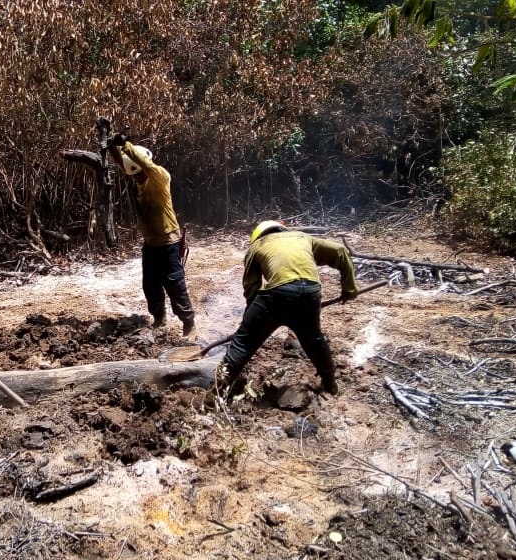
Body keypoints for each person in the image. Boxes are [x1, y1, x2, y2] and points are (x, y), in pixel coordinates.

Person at [217, 220, 358, 398]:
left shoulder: (256, 247)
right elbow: (339, 251)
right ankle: (330, 384)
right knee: (313, 339)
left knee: (243, 344)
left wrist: (250, 324)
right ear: (282, 229)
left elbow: (251, 289)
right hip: (310, 292)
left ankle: (217, 390)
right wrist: (349, 288)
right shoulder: (302, 237)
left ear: (258, 236)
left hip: (277, 294)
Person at [109, 133, 196, 337]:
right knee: (150, 284)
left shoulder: (159, 177)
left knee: (175, 285)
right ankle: (159, 319)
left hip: (169, 243)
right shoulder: (138, 180)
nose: (137, 177)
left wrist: (127, 145)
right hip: (150, 244)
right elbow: (125, 164)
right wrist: (113, 146)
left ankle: (189, 324)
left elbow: (144, 165)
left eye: (139, 174)